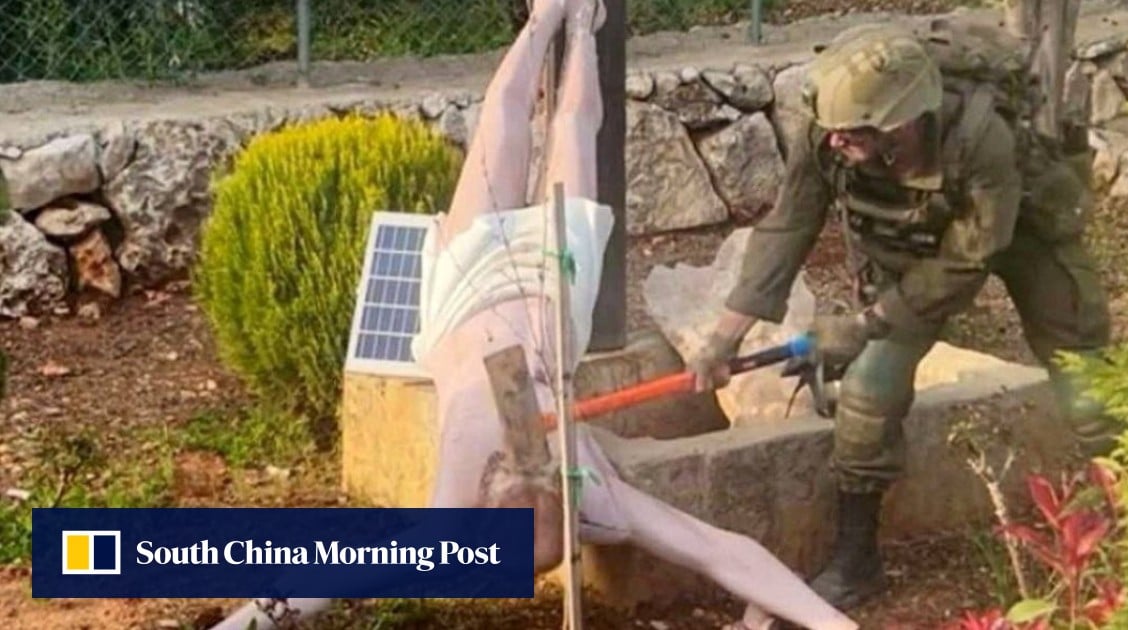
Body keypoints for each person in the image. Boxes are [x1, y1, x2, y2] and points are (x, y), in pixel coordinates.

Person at [211, 1, 858, 629]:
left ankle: (558, 18)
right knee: (570, 129)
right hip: (551, 289)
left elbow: (330, 576)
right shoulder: (590, 497)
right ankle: (571, 22)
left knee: (503, 129)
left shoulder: (454, 517)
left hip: (463, 292)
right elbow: (719, 550)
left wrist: (243, 623)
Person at [689, 22, 1117, 612]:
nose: (835, 141)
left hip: (1021, 231)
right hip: (917, 249)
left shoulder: (981, 137)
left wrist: (864, 324)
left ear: (901, 123)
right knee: (869, 388)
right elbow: (788, 225)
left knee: (1082, 373)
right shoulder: (829, 131)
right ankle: (857, 562)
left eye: (852, 132)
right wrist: (724, 337)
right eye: (833, 129)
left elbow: (970, 256)